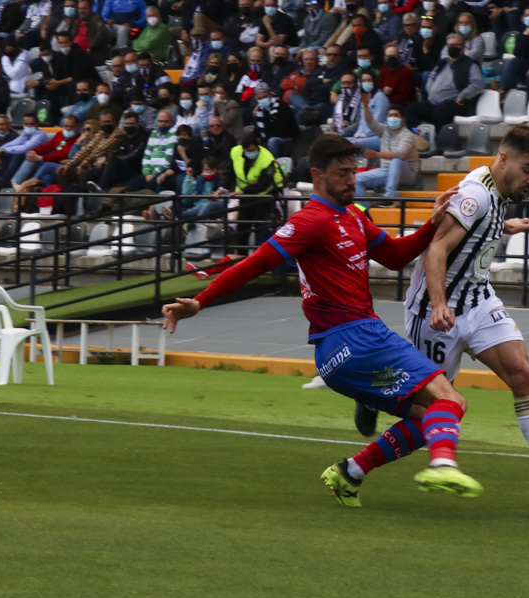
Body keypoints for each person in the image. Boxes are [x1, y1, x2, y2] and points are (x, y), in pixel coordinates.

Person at [163, 134, 485, 506]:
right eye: (342, 173)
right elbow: (255, 263)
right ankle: (443, 465)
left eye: (354, 172)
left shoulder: (353, 216)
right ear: (317, 175)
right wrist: (200, 303)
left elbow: (395, 256)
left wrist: (430, 225)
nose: (352, 180)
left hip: (338, 361)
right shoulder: (310, 222)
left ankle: (350, 473)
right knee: (450, 400)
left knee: (430, 416)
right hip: (358, 339)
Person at [352, 125, 529, 485]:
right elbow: (437, 249)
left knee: (523, 375)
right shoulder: (474, 194)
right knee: (427, 410)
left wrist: (501, 226)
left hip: (479, 302)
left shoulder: (497, 188)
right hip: (437, 316)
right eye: (528, 170)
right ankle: (372, 391)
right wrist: (438, 305)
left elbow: (476, 225)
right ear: (505, 158)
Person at [408, 33, 483, 128]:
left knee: (439, 113)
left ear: (463, 47)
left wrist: (462, 96)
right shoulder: (442, 62)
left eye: (457, 45)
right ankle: (417, 138)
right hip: (433, 102)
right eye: (451, 45)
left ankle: (441, 140)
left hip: (455, 103)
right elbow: (431, 76)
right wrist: (430, 90)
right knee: (411, 110)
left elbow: (478, 83)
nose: (453, 47)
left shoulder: (470, 64)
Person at [354, 104, 419, 199]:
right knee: (356, 179)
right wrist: (366, 106)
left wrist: (376, 154)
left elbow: (399, 154)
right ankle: (364, 210)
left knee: (395, 161)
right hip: (385, 170)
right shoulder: (384, 130)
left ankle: (388, 199)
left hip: (407, 172)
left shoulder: (408, 135)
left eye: (396, 115)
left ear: (403, 119)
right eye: (390, 115)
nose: (393, 118)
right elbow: (370, 121)